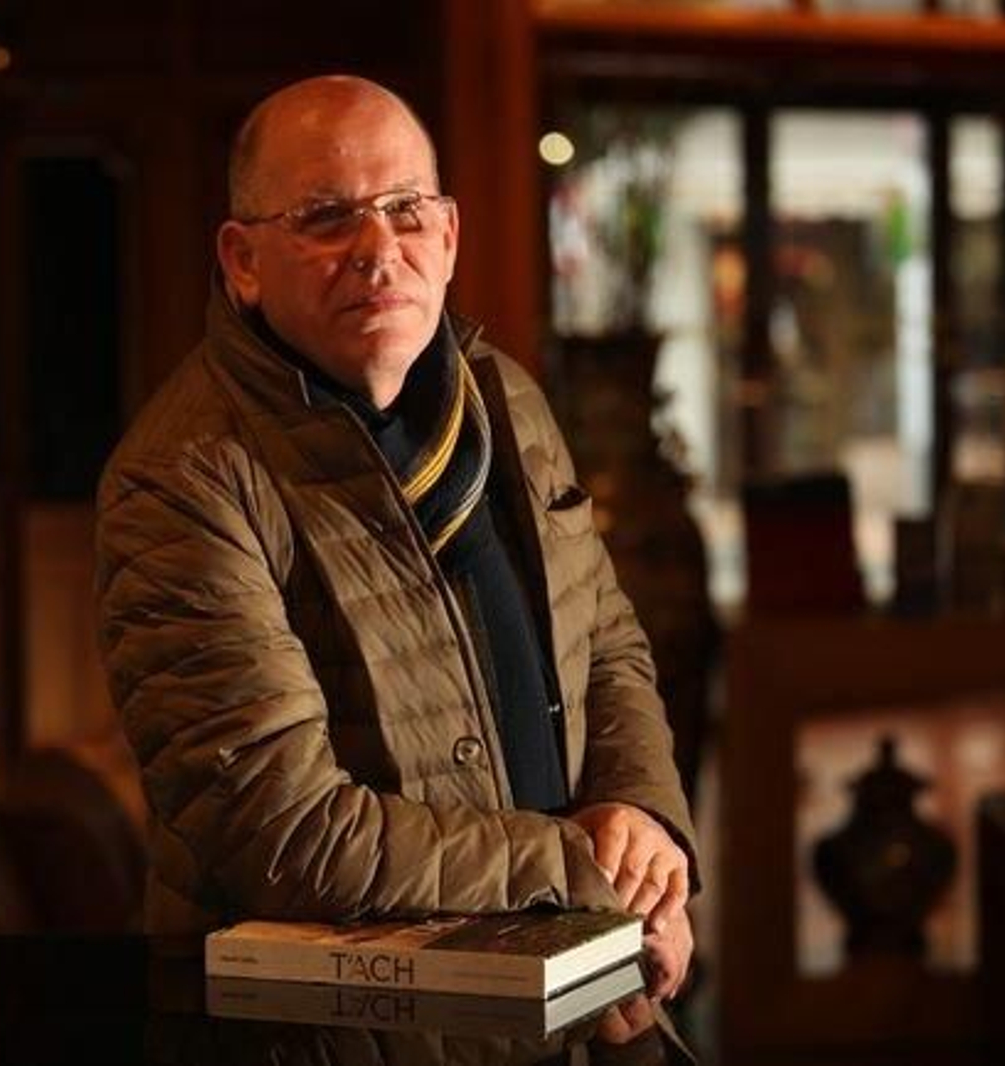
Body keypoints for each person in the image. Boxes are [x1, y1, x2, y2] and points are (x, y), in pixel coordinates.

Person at [94, 75, 697, 1000]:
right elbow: (284, 835)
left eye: (406, 209)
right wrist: (584, 864)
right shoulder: (184, 479)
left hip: (556, 975)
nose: (379, 251)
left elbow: (606, 645)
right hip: (313, 1023)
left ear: (448, 236)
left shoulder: (505, 398)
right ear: (243, 260)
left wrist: (642, 822)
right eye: (327, 217)